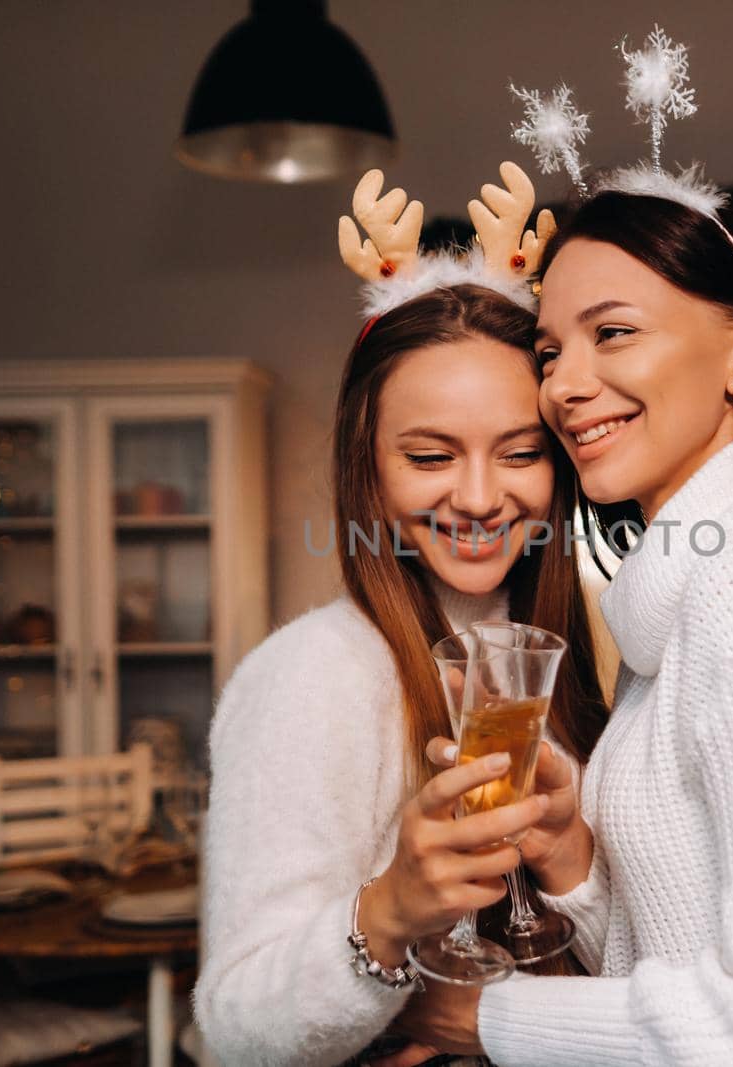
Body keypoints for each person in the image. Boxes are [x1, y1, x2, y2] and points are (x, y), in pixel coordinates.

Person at [394, 77, 733, 1066]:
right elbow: (682, 956)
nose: (564, 382)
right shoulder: (683, 599)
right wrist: (573, 861)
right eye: (550, 349)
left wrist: (481, 1016)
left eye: (612, 333)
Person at [194, 166, 609, 1067]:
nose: (477, 495)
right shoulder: (314, 676)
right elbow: (233, 1028)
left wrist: (571, 859)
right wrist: (386, 914)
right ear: (368, 467)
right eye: (429, 454)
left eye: (518, 452)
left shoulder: (574, 651)